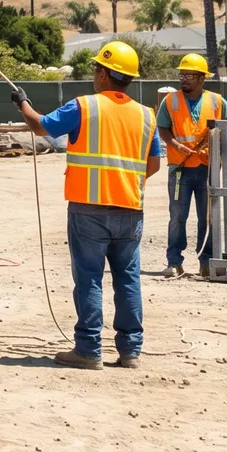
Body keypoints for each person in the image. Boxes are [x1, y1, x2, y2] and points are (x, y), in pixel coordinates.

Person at [14, 40, 161, 369]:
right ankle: (130, 351)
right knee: (128, 279)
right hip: (130, 210)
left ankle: (89, 350)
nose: (94, 74)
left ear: (106, 74)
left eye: (96, 68)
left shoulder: (85, 107)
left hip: (89, 210)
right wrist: (123, 181)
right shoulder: (146, 115)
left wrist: (23, 103)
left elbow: (40, 126)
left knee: (90, 278)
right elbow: (153, 165)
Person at [157, 53, 227, 278]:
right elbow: (163, 128)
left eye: (189, 75)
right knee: (177, 216)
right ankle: (174, 262)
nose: (184, 79)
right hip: (180, 169)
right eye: (182, 75)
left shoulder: (217, 101)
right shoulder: (170, 101)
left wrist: (220, 147)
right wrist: (174, 145)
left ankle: (207, 261)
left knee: (207, 217)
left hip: (207, 168)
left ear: (202, 78)